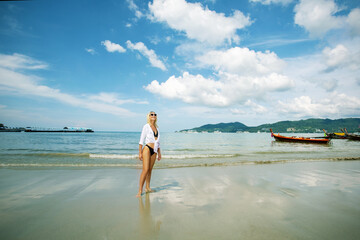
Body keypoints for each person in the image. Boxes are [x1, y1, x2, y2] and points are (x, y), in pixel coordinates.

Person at [137, 111, 161, 197]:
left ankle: (147, 187)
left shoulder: (157, 128)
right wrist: (140, 153)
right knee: (145, 169)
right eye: (152, 114)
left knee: (150, 170)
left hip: (154, 151)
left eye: (155, 114)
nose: (153, 115)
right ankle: (140, 190)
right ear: (149, 116)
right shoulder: (146, 126)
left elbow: (158, 142)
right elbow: (141, 140)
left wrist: (159, 153)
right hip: (147, 148)